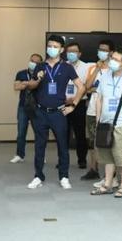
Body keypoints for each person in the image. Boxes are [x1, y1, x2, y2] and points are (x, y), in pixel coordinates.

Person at [25, 35, 85, 190]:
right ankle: (38, 176)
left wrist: (73, 105)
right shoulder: (40, 66)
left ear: (61, 49)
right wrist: (38, 79)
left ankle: (64, 176)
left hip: (58, 113)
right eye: (49, 46)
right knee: (39, 146)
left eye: (55, 46)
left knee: (62, 146)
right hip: (40, 112)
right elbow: (31, 86)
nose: (51, 49)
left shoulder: (67, 67)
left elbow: (81, 87)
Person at [90, 48, 122, 198]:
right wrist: (98, 120)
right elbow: (99, 99)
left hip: (121, 125)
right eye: (112, 58)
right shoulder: (105, 77)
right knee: (107, 157)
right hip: (105, 124)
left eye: (116, 60)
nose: (112, 61)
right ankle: (107, 184)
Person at [82, 40, 114, 181]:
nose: (101, 52)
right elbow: (87, 87)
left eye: (105, 50)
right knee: (92, 141)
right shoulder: (93, 67)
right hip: (92, 109)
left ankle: (110, 173)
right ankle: (93, 169)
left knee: (108, 141)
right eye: (100, 49)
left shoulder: (114, 68)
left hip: (108, 110)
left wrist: (96, 89)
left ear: (111, 52)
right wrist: (97, 69)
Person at [11, 54, 43, 164]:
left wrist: (25, 83)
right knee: (21, 132)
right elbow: (16, 87)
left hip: (37, 107)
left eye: (36, 62)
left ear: (40, 64)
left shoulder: (42, 74)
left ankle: (40, 155)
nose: (33, 63)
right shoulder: (21, 73)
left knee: (39, 133)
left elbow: (40, 87)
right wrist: (31, 83)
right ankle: (19, 155)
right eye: (32, 61)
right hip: (23, 107)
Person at [64, 42, 91, 171]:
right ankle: (63, 159)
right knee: (63, 133)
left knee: (80, 134)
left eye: (74, 51)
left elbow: (86, 86)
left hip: (78, 104)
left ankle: (82, 160)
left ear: (79, 54)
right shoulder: (61, 66)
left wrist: (75, 99)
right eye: (69, 51)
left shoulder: (86, 67)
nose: (71, 53)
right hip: (63, 103)